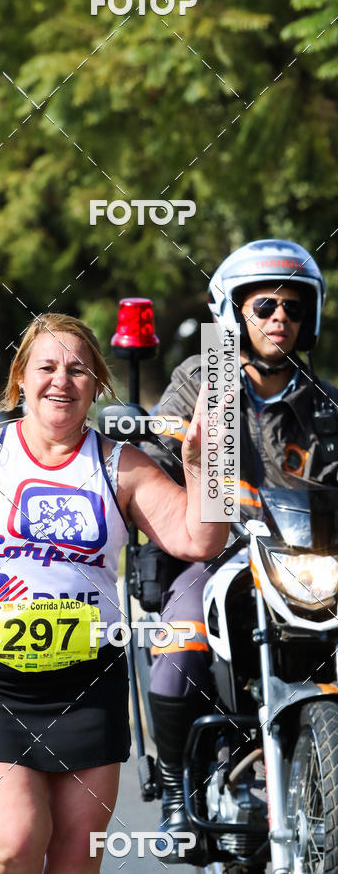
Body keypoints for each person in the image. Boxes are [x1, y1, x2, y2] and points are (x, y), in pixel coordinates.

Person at [0, 312, 228, 874]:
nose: (62, 379)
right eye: (48, 366)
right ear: (20, 380)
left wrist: (207, 469)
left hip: (88, 679)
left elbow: (199, 540)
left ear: (96, 385)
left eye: (79, 369)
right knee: (15, 840)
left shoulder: (119, 465)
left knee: (76, 855)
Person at [142, 239, 338, 859]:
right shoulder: (200, 381)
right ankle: (178, 795)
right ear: (234, 314)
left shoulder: (324, 403)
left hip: (306, 561)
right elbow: (158, 456)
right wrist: (172, 460)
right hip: (216, 555)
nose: (281, 317)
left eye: (292, 307)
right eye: (265, 306)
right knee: (182, 640)